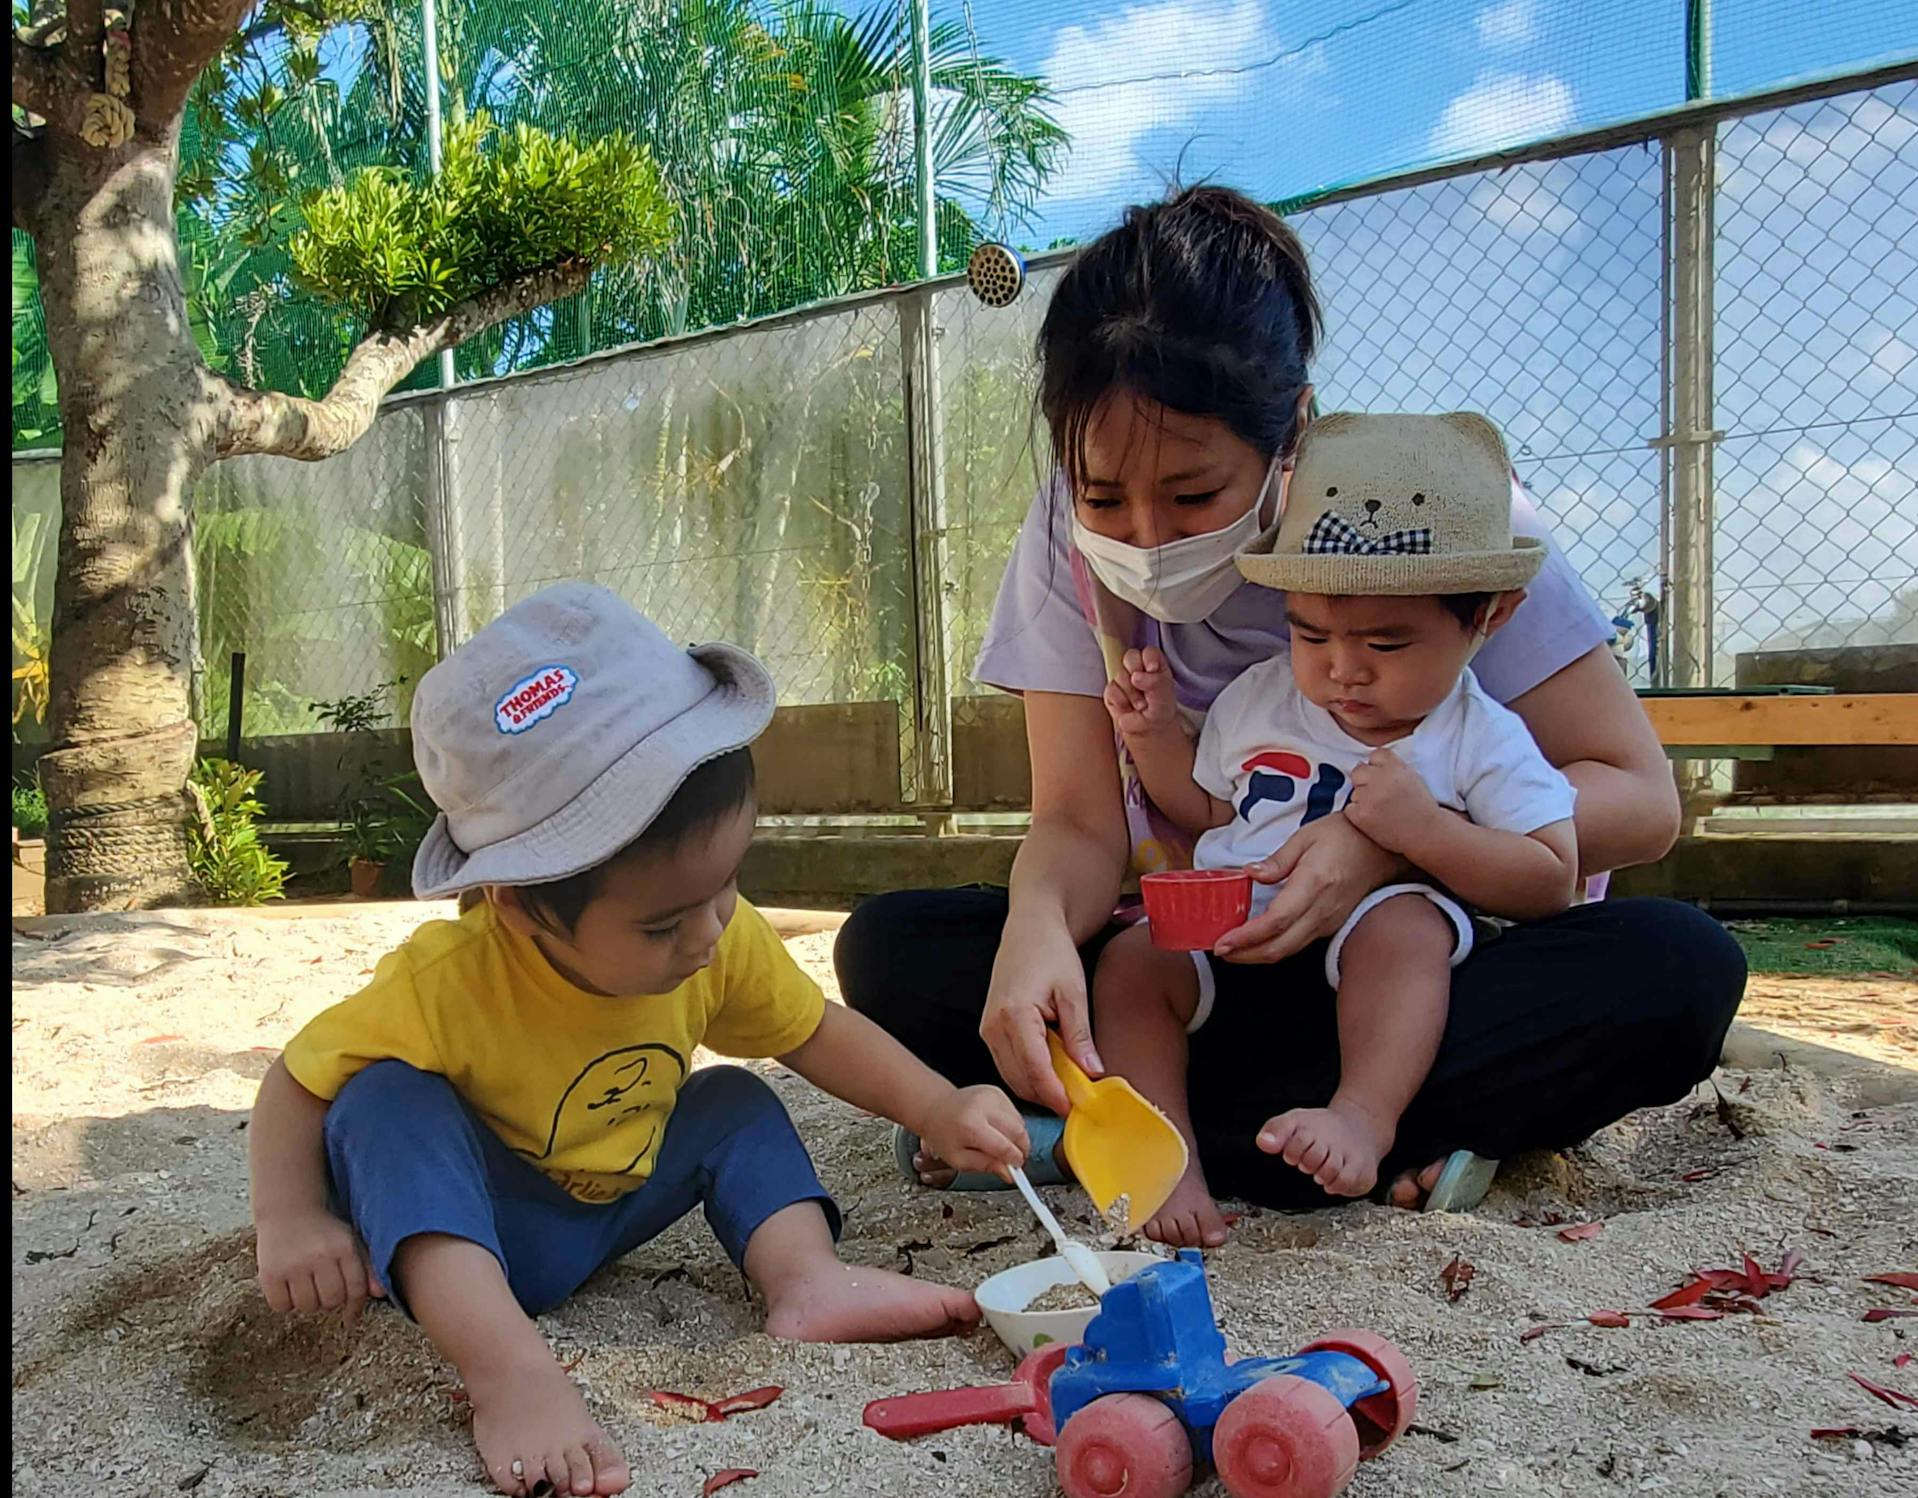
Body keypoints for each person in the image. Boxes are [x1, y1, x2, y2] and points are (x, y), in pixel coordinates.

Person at [836, 185, 1745, 1245]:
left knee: (1678, 970)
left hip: (1425, 960)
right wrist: (1034, 934)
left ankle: (1146, 1130)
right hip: (1207, 965)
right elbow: (1083, 825)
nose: (1143, 533)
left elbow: (1639, 803)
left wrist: (1385, 845)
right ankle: (1365, 1137)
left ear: (1291, 434)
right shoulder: (1060, 541)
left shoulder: (1431, 521)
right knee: (892, 953)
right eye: (1102, 496)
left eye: (1192, 494)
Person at [247, 583, 1027, 1498]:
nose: (707, 935)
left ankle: (805, 1280)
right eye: (662, 926)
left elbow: (817, 1030)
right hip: (470, 1234)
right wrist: (292, 1219)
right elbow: (295, 1086)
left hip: (611, 1204)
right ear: (520, 906)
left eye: (729, 884)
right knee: (384, 1100)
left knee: (731, 1100)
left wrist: (938, 1105)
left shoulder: (715, 938)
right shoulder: (447, 982)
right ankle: (510, 1371)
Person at [1095, 411, 1580, 1243]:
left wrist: (1421, 833)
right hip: (1239, 941)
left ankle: (1363, 1115)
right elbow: (1211, 811)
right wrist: (1154, 737)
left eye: (1387, 643)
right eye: (1310, 632)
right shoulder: (1261, 696)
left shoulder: (1478, 735)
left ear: (1489, 618)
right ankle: (1168, 1155)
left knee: (1406, 927)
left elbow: (1551, 880)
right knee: (1131, 963)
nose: (1342, 668)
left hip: (1368, 966)